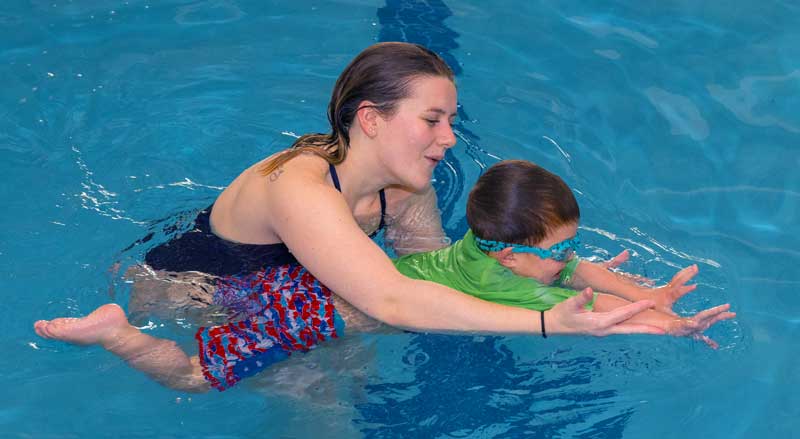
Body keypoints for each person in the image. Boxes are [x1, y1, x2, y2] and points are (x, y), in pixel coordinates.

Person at [34, 42, 666, 393]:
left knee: (349, 354)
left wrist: (538, 274)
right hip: (194, 286)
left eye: (449, 120)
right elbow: (395, 298)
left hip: (292, 280)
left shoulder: (404, 183)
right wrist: (548, 322)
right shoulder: (300, 186)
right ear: (370, 118)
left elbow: (428, 268)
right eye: (432, 120)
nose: (448, 137)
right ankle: (117, 334)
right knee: (262, 383)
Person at [393, 160, 735, 347]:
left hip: (407, 271)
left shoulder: (492, 238)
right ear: (510, 257)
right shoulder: (505, 284)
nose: (569, 255)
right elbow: (595, 307)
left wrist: (648, 295)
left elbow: (576, 269)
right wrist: (674, 326)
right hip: (384, 314)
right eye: (560, 250)